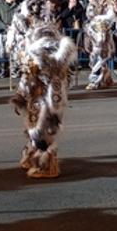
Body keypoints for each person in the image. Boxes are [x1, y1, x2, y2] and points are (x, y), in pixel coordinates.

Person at [10, 24, 76, 179]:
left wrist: (23, 95)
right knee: (36, 129)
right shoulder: (41, 54)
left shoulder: (45, 56)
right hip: (40, 98)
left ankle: (46, 165)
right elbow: (28, 78)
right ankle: (36, 156)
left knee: (42, 131)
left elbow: (52, 82)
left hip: (44, 99)